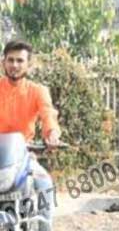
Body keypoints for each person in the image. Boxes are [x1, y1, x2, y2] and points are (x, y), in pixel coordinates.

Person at [0, 41, 60, 227]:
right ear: (3, 62)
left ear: (29, 64)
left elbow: (48, 114)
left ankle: (44, 227)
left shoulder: (37, 91)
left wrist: (52, 134)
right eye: (10, 60)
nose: (14, 65)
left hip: (24, 156)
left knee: (45, 185)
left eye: (20, 60)